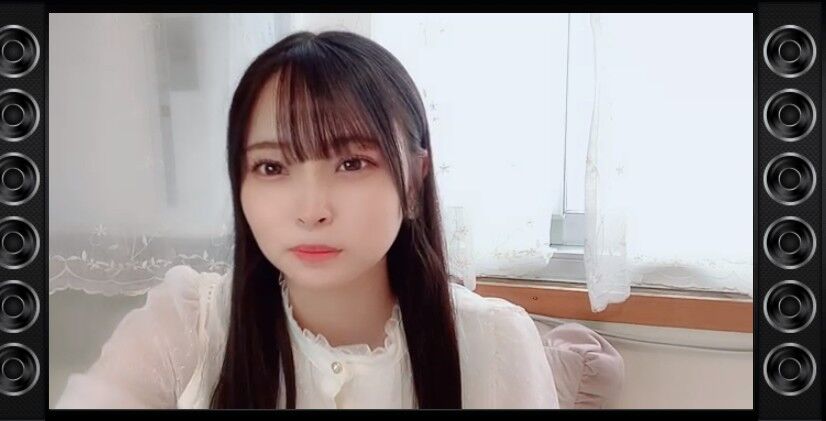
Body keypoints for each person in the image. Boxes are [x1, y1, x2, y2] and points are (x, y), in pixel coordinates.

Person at [55, 30, 559, 409]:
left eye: (352, 163)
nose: (312, 210)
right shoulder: (187, 323)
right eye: (271, 167)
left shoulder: (494, 345)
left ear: (414, 179)